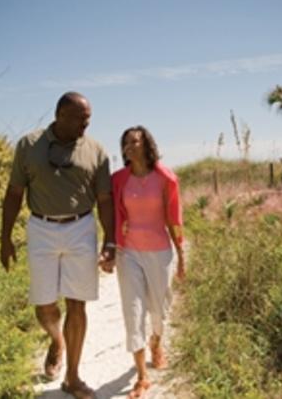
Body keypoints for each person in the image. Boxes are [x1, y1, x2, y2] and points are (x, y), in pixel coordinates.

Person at [0, 91, 115, 399]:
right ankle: (56, 340)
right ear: (61, 114)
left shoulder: (96, 151)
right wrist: (5, 238)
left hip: (81, 228)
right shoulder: (28, 145)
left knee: (77, 303)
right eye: (81, 118)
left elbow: (105, 200)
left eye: (88, 119)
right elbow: (13, 194)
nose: (86, 125)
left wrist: (111, 241)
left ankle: (73, 377)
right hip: (41, 228)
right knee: (44, 304)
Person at [111, 125, 185, 398]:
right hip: (128, 253)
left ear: (146, 145)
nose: (129, 146)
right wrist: (110, 246)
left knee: (159, 310)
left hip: (160, 252)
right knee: (133, 312)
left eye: (135, 141)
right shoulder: (118, 179)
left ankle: (156, 341)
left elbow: (174, 219)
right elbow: (110, 214)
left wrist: (181, 255)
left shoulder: (166, 178)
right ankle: (142, 376)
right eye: (126, 143)